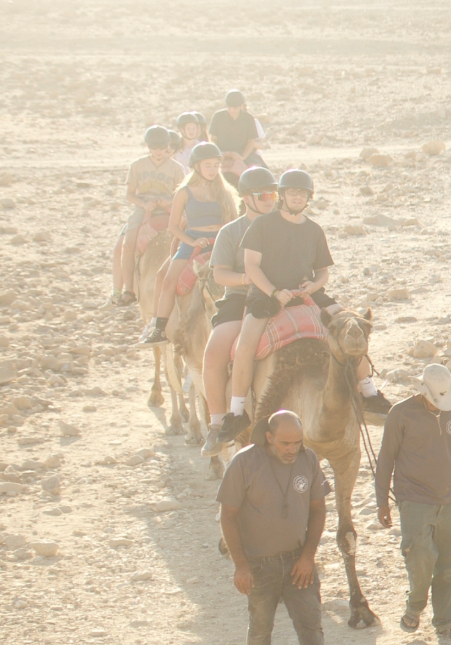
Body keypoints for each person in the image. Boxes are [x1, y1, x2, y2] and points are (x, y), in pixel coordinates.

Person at [218, 168, 388, 443]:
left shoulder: (314, 230)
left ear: (308, 198)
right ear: (282, 195)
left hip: (307, 292)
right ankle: (236, 413)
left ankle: (369, 393)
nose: (297, 197)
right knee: (245, 346)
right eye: (292, 192)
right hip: (265, 294)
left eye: (303, 193)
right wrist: (274, 292)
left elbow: (322, 272)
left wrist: (314, 286)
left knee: (351, 326)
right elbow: (251, 266)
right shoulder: (261, 225)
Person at [216, 408, 350, 645]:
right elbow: (228, 516)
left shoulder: (308, 460)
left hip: (297, 562)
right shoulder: (244, 462)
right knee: (261, 626)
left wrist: (308, 556)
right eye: (285, 443)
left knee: (311, 627)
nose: (292, 449)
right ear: (269, 437)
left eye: (297, 442)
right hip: (259, 564)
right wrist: (241, 565)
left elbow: (318, 509)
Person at [377, 363, 451, 639]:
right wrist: (381, 501)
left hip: (450, 498)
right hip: (414, 498)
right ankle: (415, 606)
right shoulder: (400, 414)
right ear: (423, 390)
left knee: (450, 562)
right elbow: (386, 458)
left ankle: (446, 620)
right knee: (420, 556)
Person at [199, 167, 279, 447]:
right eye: (262, 195)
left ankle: (361, 394)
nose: (270, 200)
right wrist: (248, 278)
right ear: (246, 198)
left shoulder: (286, 226)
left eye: (273, 194)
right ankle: (217, 424)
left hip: (282, 295)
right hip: (241, 297)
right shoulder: (231, 232)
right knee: (214, 353)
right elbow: (220, 274)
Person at [142, 142, 238, 344]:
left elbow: (233, 221)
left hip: (220, 240)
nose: (212, 170)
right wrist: (192, 241)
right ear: (196, 166)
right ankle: (159, 328)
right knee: (166, 278)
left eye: (215, 165)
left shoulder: (225, 191)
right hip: (192, 241)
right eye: (208, 165)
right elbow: (174, 227)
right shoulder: (184, 192)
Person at [112, 125, 185, 305]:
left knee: (187, 235)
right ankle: (129, 290)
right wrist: (144, 204)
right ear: (148, 146)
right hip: (143, 208)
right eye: (154, 148)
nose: (158, 151)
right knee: (128, 244)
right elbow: (129, 194)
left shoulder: (176, 168)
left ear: (167, 146)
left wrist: (167, 201)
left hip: (169, 207)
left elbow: (181, 194)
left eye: (162, 147)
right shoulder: (137, 165)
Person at [209, 89, 266, 177]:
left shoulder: (249, 118)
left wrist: (242, 157)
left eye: (235, 108)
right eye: (229, 107)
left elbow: (251, 142)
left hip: (244, 154)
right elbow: (213, 139)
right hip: (221, 153)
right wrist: (219, 154)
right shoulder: (218, 117)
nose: (231, 110)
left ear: (241, 106)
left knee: (261, 173)